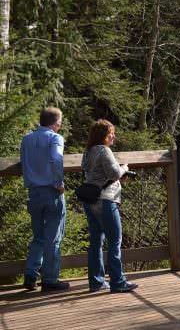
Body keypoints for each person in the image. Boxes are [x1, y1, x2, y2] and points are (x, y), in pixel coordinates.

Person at [81, 119, 138, 293]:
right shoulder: (104, 150)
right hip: (106, 200)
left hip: (90, 200)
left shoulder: (88, 152)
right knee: (115, 241)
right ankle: (118, 282)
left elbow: (92, 172)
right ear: (102, 136)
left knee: (96, 242)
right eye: (110, 133)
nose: (113, 136)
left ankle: (96, 282)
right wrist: (124, 168)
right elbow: (113, 173)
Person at [20, 107, 70, 292]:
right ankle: (49, 279)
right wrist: (58, 182)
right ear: (56, 123)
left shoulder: (27, 139)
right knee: (53, 238)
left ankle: (31, 275)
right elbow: (56, 159)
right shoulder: (55, 138)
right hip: (51, 191)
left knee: (39, 237)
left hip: (33, 193)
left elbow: (24, 163)